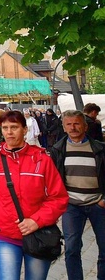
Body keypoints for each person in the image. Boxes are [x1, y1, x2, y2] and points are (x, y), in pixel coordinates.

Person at [0, 110, 68, 280]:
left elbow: (59, 197)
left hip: (38, 234)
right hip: (5, 235)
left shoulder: (42, 159)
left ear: (25, 130)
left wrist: (37, 220)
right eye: (5, 127)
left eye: (14, 127)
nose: (9, 132)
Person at [49, 110, 105, 280]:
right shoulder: (58, 150)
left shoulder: (100, 149)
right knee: (72, 248)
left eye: (76, 123)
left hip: (98, 205)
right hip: (72, 206)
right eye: (69, 124)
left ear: (85, 126)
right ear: (64, 127)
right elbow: (54, 179)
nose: (73, 127)